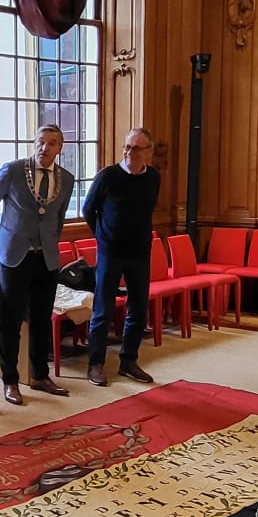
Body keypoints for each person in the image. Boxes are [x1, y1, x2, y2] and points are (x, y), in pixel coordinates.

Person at [0, 125, 76, 405]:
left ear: (60, 148)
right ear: (34, 143)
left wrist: (50, 241)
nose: (45, 148)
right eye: (41, 142)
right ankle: (10, 380)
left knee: (41, 319)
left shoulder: (66, 179)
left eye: (52, 144)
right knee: (11, 321)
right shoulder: (12, 171)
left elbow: (58, 218)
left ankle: (39, 374)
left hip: (46, 257)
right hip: (14, 255)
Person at [81, 128, 162, 388]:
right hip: (110, 253)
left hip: (139, 253)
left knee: (137, 310)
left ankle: (128, 361)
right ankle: (96, 364)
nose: (129, 152)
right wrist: (102, 237)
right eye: (127, 147)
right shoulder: (108, 176)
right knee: (102, 311)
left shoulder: (154, 178)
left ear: (148, 152)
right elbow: (88, 209)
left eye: (136, 148)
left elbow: (147, 211)